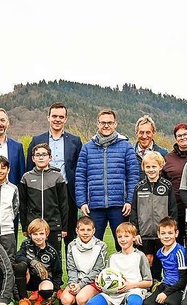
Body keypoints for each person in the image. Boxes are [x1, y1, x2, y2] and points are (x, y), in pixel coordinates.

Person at [75, 109, 139, 250]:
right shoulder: (87, 148)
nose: (106, 126)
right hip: (94, 206)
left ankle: (123, 272)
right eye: (103, 123)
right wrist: (82, 202)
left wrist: (129, 200)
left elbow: (133, 176)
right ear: (97, 124)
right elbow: (80, 176)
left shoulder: (126, 147)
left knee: (124, 244)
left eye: (109, 123)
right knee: (92, 246)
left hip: (120, 206)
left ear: (115, 124)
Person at [26, 103, 82, 251]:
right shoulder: (37, 140)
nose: (57, 119)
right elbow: (28, 168)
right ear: (48, 117)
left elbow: (79, 169)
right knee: (39, 237)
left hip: (67, 194)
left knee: (69, 238)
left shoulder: (75, 141)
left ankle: (70, 272)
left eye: (61, 117)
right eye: (54, 116)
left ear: (66, 119)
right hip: (43, 194)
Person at [130, 151, 177, 281]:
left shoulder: (167, 186)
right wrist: (136, 232)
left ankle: (160, 281)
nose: (151, 170)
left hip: (162, 233)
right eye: (148, 167)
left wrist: (171, 229)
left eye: (154, 166)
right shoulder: (139, 187)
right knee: (147, 260)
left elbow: (172, 209)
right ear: (144, 168)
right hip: (144, 233)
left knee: (160, 259)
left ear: (160, 167)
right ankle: (147, 283)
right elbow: (134, 211)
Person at [85, 222, 152, 305]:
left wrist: (130, 286)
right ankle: (118, 301)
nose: (123, 239)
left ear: (134, 237)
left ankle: (135, 299)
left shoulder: (140, 256)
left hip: (133, 290)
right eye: (120, 237)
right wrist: (100, 282)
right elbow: (106, 276)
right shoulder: (113, 257)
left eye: (126, 236)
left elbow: (149, 282)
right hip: (113, 293)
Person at [19, 143, 69, 256]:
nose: (41, 157)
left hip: (53, 225)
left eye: (44, 154)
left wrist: (63, 226)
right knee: (33, 258)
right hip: (33, 226)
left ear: (50, 157)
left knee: (54, 257)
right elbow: (23, 204)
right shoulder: (26, 178)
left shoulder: (57, 177)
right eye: (37, 155)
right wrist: (25, 226)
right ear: (33, 158)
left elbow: (64, 204)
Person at [59, 216, 108, 305]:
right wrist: (73, 283)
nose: (85, 233)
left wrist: (81, 285)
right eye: (82, 230)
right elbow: (71, 268)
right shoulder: (71, 245)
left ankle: (94, 293)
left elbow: (97, 270)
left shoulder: (101, 246)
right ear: (77, 231)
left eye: (88, 230)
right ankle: (77, 293)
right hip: (77, 280)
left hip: (93, 281)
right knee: (66, 301)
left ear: (93, 231)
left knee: (81, 300)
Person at [13, 218, 63, 305]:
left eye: (41, 234)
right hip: (28, 279)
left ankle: (40, 294)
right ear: (30, 235)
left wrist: (55, 291)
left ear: (46, 234)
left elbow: (58, 273)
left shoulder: (52, 252)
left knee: (47, 290)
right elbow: (17, 256)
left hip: (43, 280)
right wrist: (32, 262)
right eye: (35, 234)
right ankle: (23, 299)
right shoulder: (26, 244)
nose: (38, 237)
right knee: (20, 267)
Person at [141, 217, 187, 305]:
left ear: (176, 233)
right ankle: (163, 299)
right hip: (165, 285)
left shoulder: (180, 252)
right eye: (163, 233)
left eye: (170, 233)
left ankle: (171, 299)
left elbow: (184, 279)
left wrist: (166, 293)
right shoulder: (159, 252)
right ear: (158, 234)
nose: (166, 236)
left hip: (178, 287)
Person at [163, 123, 187, 243]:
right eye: (179, 136)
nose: (182, 138)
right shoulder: (168, 158)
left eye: (185, 134)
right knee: (176, 242)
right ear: (176, 138)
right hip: (176, 208)